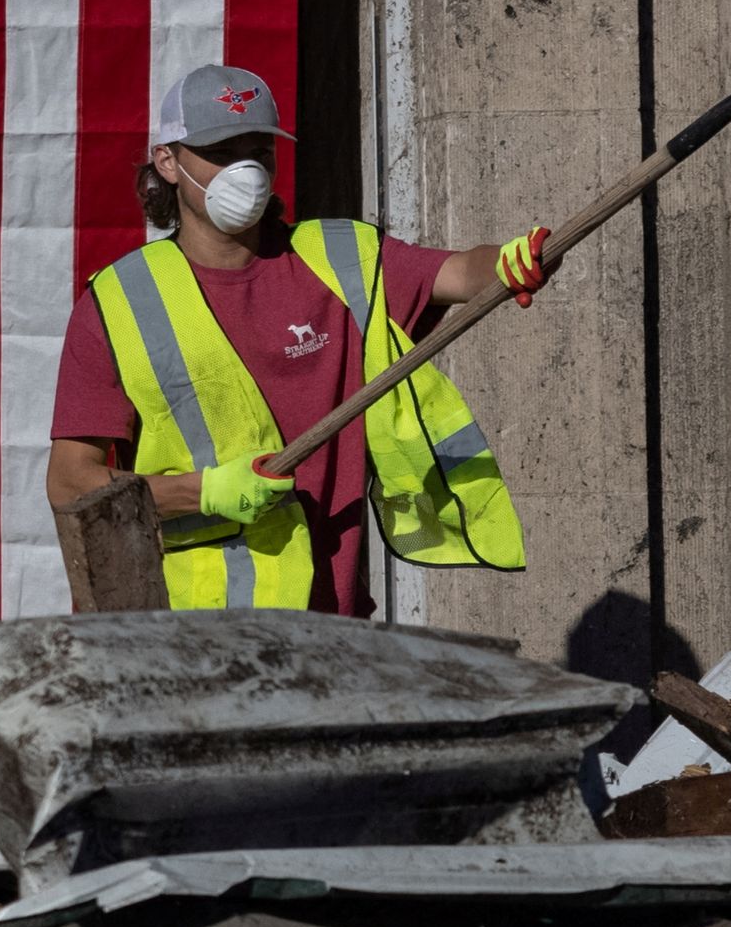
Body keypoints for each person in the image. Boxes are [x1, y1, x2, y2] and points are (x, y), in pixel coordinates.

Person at [47, 63, 553, 614]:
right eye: (221, 153)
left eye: (258, 153)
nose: (245, 171)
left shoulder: (342, 259)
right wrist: (203, 492)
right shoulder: (119, 303)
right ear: (167, 162)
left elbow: (460, 273)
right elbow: (71, 485)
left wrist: (508, 260)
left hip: (331, 626)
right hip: (192, 634)